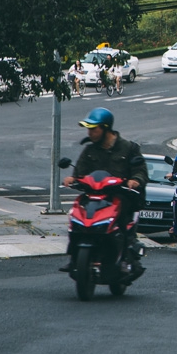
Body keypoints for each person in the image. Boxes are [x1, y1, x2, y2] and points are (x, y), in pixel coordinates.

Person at [60, 108, 148, 275]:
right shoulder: (89, 150)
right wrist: (73, 179)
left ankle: (125, 256)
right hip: (94, 195)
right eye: (89, 129)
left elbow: (140, 170)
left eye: (94, 129)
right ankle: (74, 257)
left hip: (120, 195)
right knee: (77, 213)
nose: (90, 133)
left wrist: (135, 180)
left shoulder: (128, 148)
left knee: (121, 212)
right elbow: (80, 171)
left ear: (106, 128)